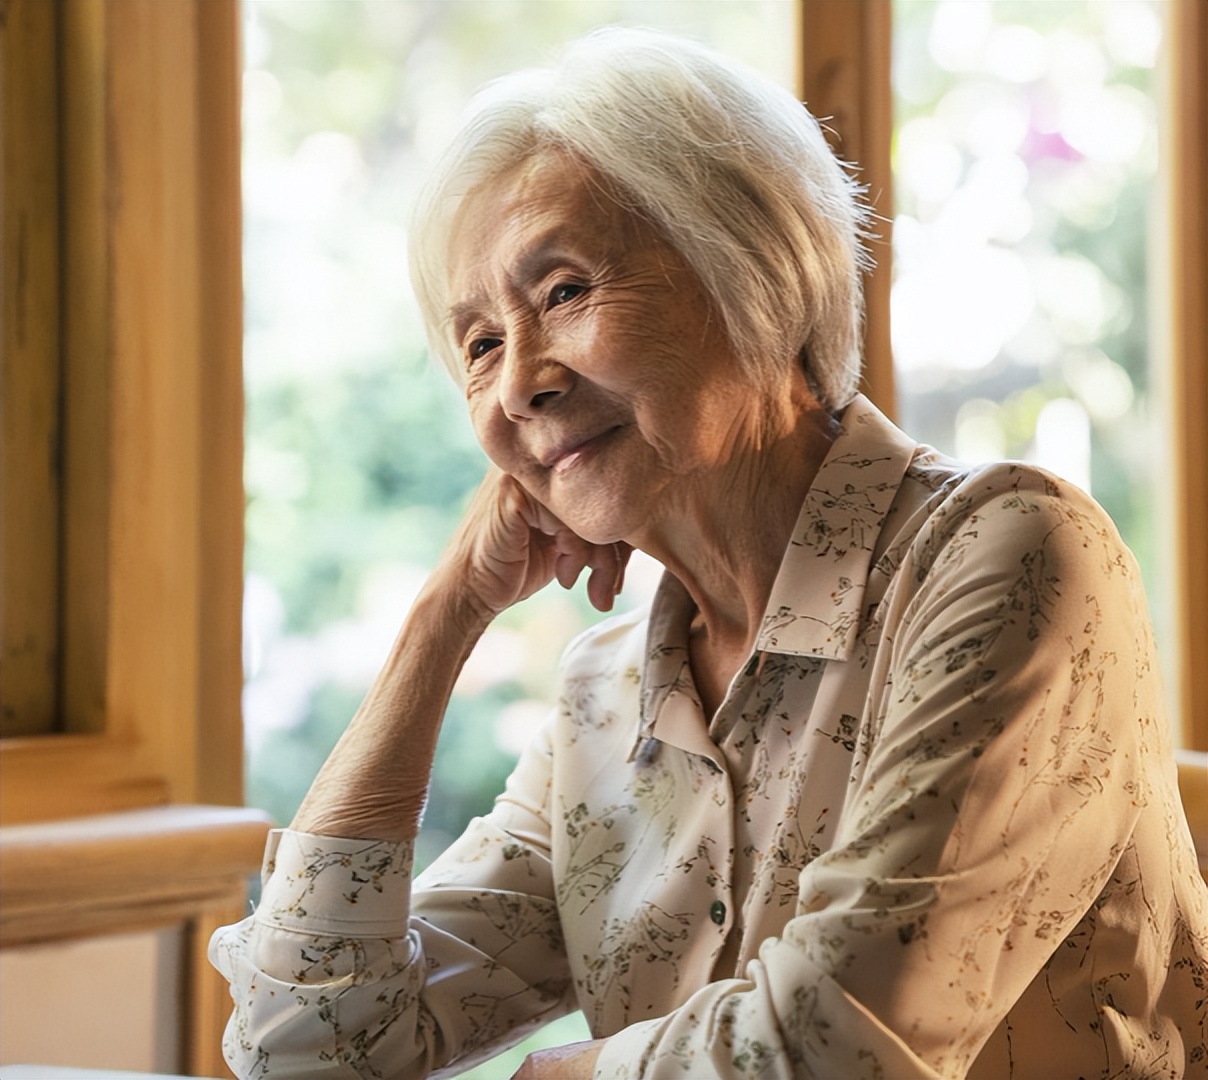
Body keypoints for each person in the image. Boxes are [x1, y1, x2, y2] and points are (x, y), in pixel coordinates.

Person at [210, 28, 1208, 1080]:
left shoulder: (1004, 554)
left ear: (754, 273)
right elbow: (310, 1047)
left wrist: (544, 1077)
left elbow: (835, 1053)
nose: (517, 386)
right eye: (479, 344)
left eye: (561, 293)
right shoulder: (606, 693)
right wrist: (443, 617)